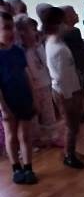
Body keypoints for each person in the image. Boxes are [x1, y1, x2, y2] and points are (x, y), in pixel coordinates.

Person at [44, 7, 84, 170]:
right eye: (63, 22)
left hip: (70, 89)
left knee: (73, 125)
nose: (66, 25)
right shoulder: (56, 47)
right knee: (71, 125)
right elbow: (59, 76)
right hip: (64, 93)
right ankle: (69, 156)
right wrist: (69, 96)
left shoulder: (58, 42)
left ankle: (71, 150)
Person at [0, 10, 38, 184]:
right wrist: (3, 107)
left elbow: (26, 75)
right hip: (8, 101)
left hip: (23, 98)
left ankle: (28, 167)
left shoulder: (17, 51)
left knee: (25, 135)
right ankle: (16, 167)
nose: (10, 32)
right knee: (11, 135)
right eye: (5, 28)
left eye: (12, 28)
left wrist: (34, 97)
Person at [15, 15, 61, 150]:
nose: (34, 33)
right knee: (33, 116)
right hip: (32, 89)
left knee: (48, 113)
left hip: (45, 84)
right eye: (31, 30)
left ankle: (53, 137)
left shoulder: (39, 47)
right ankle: (35, 140)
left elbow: (46, 63)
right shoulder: (21, 52)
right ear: (21, 33)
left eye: (34, 29)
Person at [60, 4, 84, 122]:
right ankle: (81, 112)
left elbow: (81, 46)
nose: (76, 14)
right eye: (73, 13)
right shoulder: (64, 34)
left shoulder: (76, 31)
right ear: (66, 17)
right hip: (77, 67)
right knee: (80, 91)